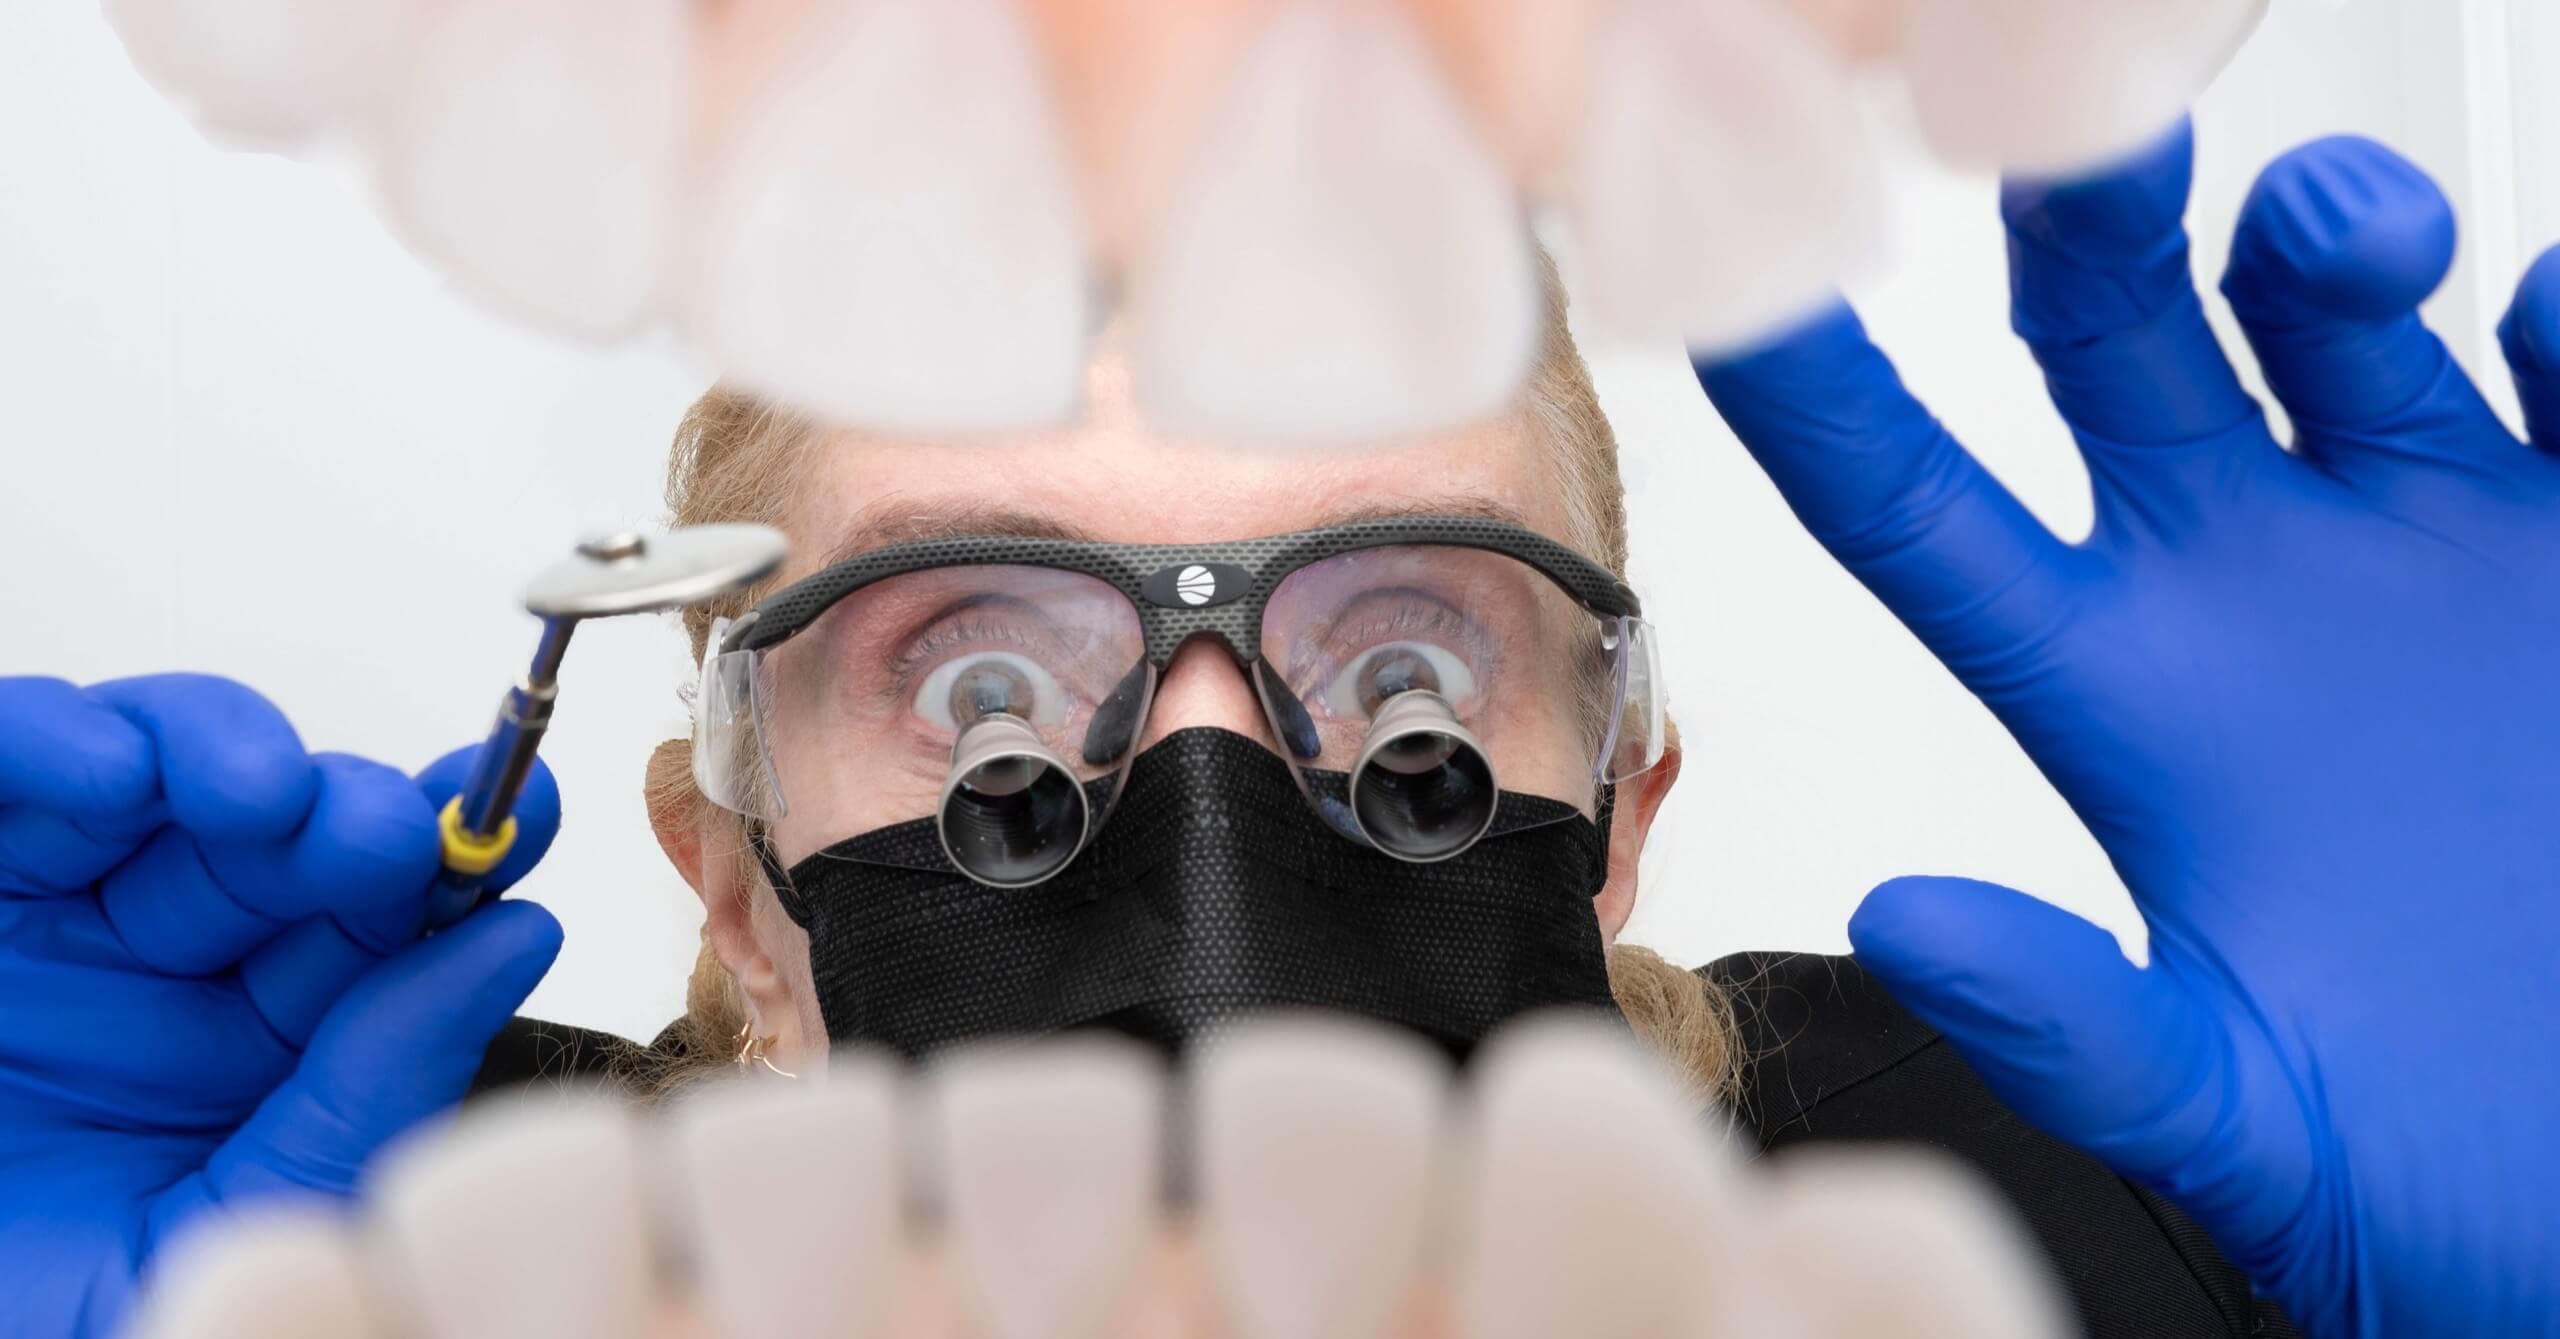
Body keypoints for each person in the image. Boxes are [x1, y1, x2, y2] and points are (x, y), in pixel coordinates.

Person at [3, 124, 2555, 1339]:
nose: (1206, 809)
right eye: (980, 686)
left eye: (1408, 669)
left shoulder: (2041, 1232)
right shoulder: (352, 1260)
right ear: (731, 879)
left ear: (1624, 809)